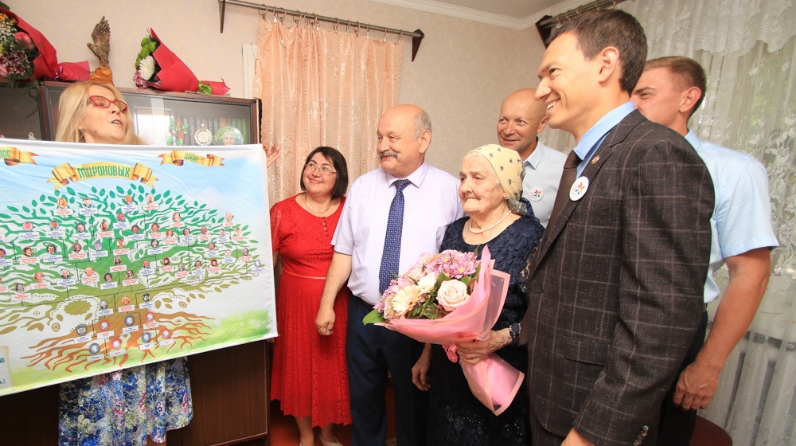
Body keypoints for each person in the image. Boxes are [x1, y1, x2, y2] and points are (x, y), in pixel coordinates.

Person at [520, 10, 714, 446]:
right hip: (555, 399)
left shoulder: (656, 154)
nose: (540, 90)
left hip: (594, 420)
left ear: (605, 64)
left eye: (553, 72)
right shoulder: (584, 159)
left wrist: (594, 433)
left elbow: (661, 321)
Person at [631, 56, 779, 445]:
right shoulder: (620, 162)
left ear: (688, 98)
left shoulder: (733, 171)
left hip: (672, 331)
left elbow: (751, 274)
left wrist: (708, 365)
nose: (632, 105)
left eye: (645, 94)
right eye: (629, 95)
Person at [316, 104, 463, 446]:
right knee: (364, 401)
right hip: (363, 314)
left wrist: (433, 342)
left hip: (417, 320)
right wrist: (326, 304)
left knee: (413, 406)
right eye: (380, 137)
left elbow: (456, 267)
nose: (383, 146)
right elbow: (344, 250)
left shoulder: (451, 191)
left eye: (393, 138)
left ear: (423, 140)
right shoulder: (363, 187)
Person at [55, 80, 192, 445]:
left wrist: (246, 169)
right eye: (100, 102)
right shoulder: (50, 176)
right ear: (77, 118)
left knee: (150, 423)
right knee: (100, 423)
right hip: (91, 328)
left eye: (120, 104)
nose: (116, 108)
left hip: (146, 315)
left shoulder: (151, 170)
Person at [424, 145, 543, 445]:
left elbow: (545, 311)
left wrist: (499, 339)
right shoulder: (454, 231)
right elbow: (436, 303)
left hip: (501, 367)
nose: (465, 187)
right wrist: (426, 354)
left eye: (477, 178)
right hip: (450, 370)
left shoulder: (530, 236)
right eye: (463, 177)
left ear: (505, 188)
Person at [270, 146, 352, 446]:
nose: (316, 172)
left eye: (326, 168)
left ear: (339, 177)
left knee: (333, 368)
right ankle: (306, 435)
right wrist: (266, 317)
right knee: (299, 368)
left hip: (340, 301)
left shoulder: (350, 208)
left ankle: (327, 433)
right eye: (311, 165)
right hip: (295, 303)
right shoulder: (282, 210)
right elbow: (267, 266)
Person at [497, 89, 566, 227]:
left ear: (542, 124)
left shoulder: (563, 169)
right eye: (503, 120)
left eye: (520, 122)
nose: (508, 130)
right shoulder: (485, 164)